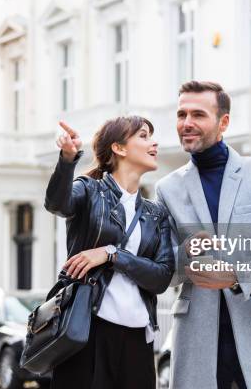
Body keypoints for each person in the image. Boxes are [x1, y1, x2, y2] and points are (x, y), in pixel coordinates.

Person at [155, 81, 251, 389]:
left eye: (198, 114)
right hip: (198, 341)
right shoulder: (167, 189)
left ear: (223, 122)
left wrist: (238, 276)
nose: (187, 123)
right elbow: (163, 271)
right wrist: (184, 254)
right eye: (181, 114)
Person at [44, 116, 175, 389]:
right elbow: (58, 204)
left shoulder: (155, 213)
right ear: (119, 148)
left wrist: (112, 254)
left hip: (138, 338)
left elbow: (162, 277)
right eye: (143, 135)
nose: (154, 142)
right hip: (87, 330)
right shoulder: (89, 191)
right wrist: (68, 159)